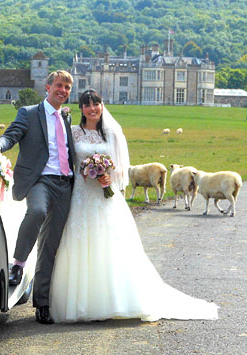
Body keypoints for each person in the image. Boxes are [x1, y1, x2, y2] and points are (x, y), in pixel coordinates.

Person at [49, 89, 218, 322]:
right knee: (80, 243)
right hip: (81, 194)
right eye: (87, 105)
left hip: (105, 196)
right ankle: (82, 304)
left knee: (111, 243)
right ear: (81, 109)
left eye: (96, 104)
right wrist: (86, 172)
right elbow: (67, 161)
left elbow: (120, 166)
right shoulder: (74, 132)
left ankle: (115, 301)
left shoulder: (111, 132)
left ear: (102, 105)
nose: (92, 109)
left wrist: (109, 177)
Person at [0, 70, 75, 324]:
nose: (63, 90)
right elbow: (11, 135)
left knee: (50, 245)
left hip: (65, 184)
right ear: (47, 87)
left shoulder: (66, 117)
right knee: (37, 211)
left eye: (68, 87)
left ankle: (42, 304)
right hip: (40, 180)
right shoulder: (29, 113)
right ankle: (17, 263)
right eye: (59, 86)